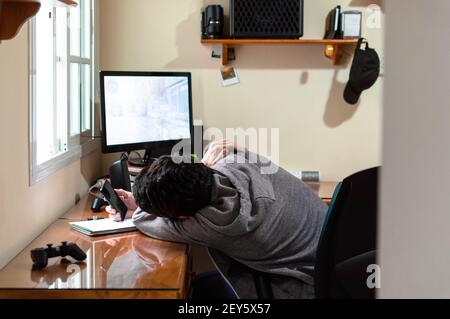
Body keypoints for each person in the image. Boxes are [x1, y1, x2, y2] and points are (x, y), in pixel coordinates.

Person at [106, 140, 328, 298]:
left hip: (301, 287)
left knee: (191, 294)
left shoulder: (211, 224)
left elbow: (144, 221)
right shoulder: (235, 159)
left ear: (184, 217)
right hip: (326, 263)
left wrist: (134, 207)